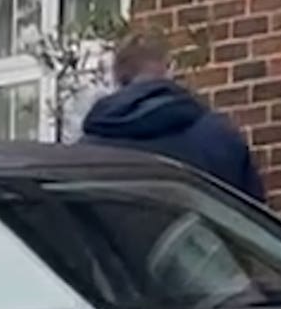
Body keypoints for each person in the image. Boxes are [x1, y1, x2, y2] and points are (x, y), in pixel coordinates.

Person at [80, 33, 267, 203]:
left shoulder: (84, 155)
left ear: (117, 78)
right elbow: (256, 222)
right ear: (170, 68)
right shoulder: (219, 138)